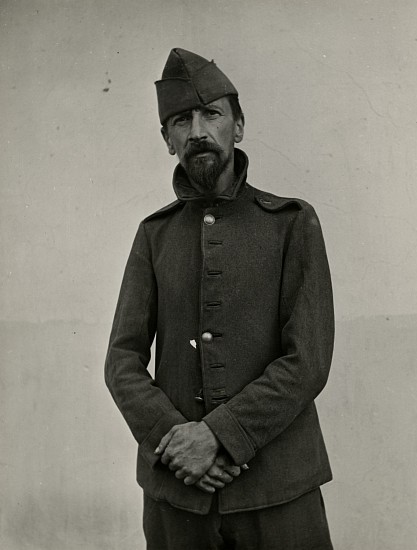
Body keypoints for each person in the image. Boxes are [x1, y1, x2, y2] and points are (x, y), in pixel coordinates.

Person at [105, 47, 335, 550]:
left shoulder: (293, 224)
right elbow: (122, 360)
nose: (198, 131)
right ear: (167, 140)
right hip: (178, 501)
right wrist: (176, 443)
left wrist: (218, 436)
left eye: (212, 113)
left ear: (239, 126)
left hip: (279, 495)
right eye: (181, 120)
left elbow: (309, 359)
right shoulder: (153, 235)